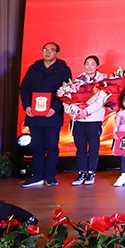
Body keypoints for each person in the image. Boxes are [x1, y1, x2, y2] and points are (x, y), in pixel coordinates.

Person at [19, 42, 72, 188]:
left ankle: (50, 176)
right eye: (45, 50)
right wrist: (27, 105)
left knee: (52, 146)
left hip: (52, 115)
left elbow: (66, 90)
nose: (47, 52)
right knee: (36, 146)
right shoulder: (34, 68)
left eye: (51, 50)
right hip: (35, 115)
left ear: (57, 53)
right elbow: (24, 89)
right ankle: (37, 176)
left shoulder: (63, 69)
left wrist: (55, 108)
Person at [66, 55, 108, 186]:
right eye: (87, 64)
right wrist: (72, 110)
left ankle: (91, 172)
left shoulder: (102, 82)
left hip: (94, 119)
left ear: (97, 66)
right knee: (80, 148)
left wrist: (87, 111)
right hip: (79, 120)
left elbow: (101, 101)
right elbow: (68, 98)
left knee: (94, 147)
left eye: (92, 64)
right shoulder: (77, 81)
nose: (89, 66)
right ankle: (82, 172)